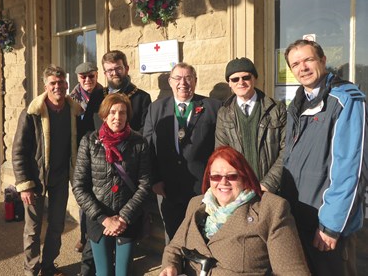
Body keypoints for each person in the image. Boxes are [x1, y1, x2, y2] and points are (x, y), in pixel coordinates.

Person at [282, 39, 367, 276]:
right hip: (299, 217)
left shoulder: (346, 99)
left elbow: (352, 166)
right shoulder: (297, 104)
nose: (303, 68)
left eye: (308, 60)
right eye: (296, 64)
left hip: (326, 226)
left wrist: (331, 225)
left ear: (323, 60)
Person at [159, 146, 310, 276]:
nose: (223, 182)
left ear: (245, 178)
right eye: (216, 176)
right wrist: (170, 266)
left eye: (231, 176)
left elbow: (292, 272)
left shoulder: (271, 209)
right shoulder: (197, 204)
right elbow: (175, 247)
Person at [12, 65, 82, 276]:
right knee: (32, 230)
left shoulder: (74, 112)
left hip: (60, 179)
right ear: (46, 86)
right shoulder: (32, 113)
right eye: (53, 83)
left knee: (56, 226)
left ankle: (49, 267)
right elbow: (18, 151)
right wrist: (24, 185)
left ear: (67, 85)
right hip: (35, 181)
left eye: (61, 83)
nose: (57, 86)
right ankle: (31, 270)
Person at [73, 93, 151, 276]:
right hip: (99, 219)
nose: (117, 117)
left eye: (122, 112)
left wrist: (123, 218)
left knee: (123, 272)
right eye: (113, 112)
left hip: (127, 220)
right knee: (103, 272)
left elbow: (145, 184)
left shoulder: (139, 142)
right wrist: (104, 219)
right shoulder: (89, 142)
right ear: (104, 115)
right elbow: (79, 186)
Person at [143, 62, 222, 242]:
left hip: (202, 187)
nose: (183, 83)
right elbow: (148, 148)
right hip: (166, 188)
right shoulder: (156, 109)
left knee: (201, 235)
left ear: (195, 81)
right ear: (170, 82)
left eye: (188, 78)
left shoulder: (213, 107)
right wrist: (154, 180)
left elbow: (220, 149)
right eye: (178, 78)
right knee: (173, 236)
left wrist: (215, 181)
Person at [215, 57, 286, 193]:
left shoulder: (276, 109)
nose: (241, 82)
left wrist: (268, 184)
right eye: (235, 79)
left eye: (246, 77)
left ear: (254, 78)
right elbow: (221, 154)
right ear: (229, 83)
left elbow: (287, 151)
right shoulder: (224, 114)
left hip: (272, 189)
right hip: (239, 190)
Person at [70, 62, 103, 254]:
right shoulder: (71, 99)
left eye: (91, 76)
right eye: (83, 77)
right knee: (84, 198)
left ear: (97, 75)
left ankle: (99, 237)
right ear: (78, 78)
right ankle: (84, 237)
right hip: (80, 154)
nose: (88, 80)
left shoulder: (105, 94)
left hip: (100, 153)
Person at [99, 50, 151, 132]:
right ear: (105, 73)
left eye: (118, 68)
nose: (114, 73)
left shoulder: (142, 98)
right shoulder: (97, 96)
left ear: (126, 69)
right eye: (110, 70)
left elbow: (145, 130)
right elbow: (89, 127)